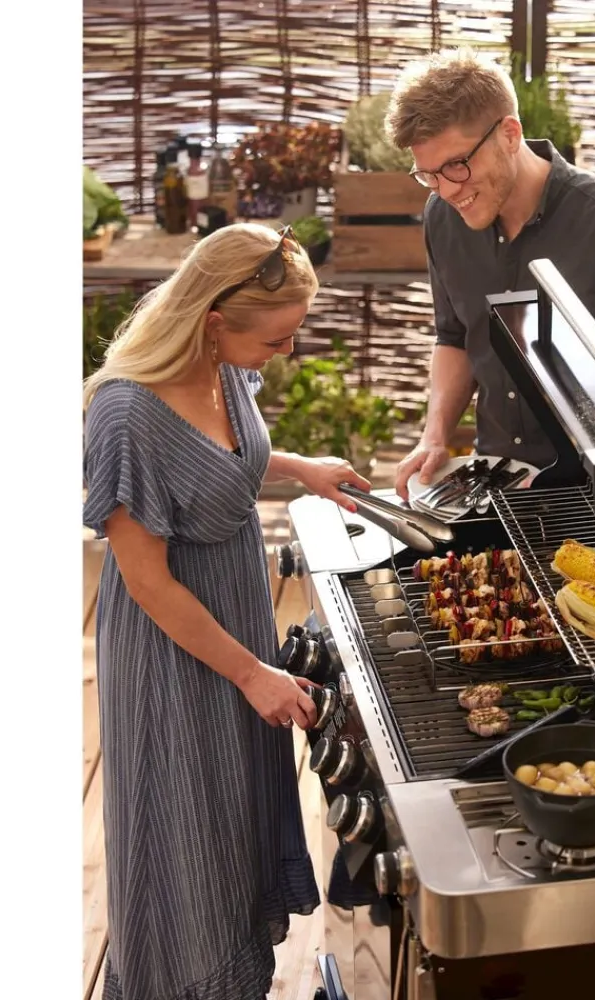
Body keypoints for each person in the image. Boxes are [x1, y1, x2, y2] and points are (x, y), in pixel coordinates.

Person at [82, 222, 371, 1000]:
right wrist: (252, 674)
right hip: (173, 653)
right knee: (181, 833)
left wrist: (299, 468)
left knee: (232, 815)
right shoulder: (125, 414)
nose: (287, 351)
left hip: (234, 627)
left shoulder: (224, 366)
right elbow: (147, 582)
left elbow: (216, 462)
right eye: (276, 340)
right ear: (213, 319)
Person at [384, 47, 595, 499]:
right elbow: (455, 338)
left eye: (456, 165)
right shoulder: (442, 217)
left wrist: (579, 475)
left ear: (510, 134)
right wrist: (434, 437)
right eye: (428, 174)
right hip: (498, 485)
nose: (447, 190)